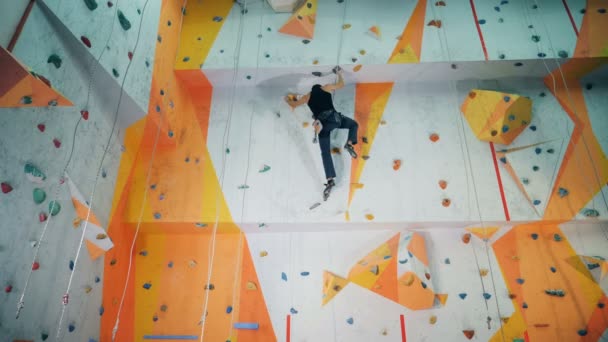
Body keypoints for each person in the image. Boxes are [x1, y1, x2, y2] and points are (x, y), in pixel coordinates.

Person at [284, 67, 359, 198]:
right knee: (353, 124)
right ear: (320, 86)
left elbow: (293, 105)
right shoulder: (325, 88)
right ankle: (349, 143)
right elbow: (341, 84)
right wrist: (339, 73)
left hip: (322, 126)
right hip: (334, 119)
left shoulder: (307, 97)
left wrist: (287, 99)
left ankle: (330, 180)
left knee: (325, 153)